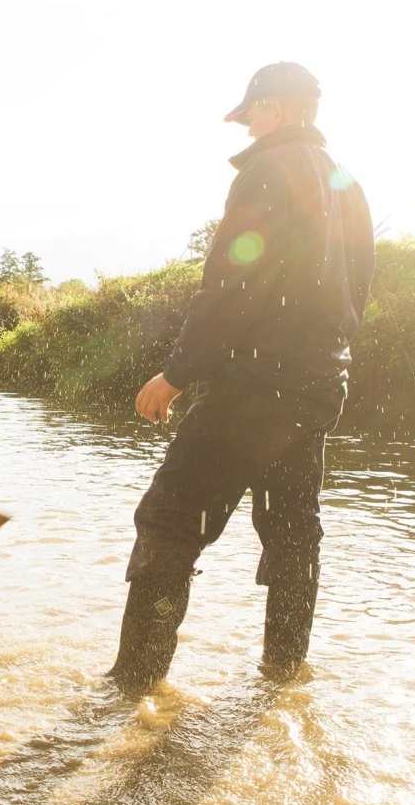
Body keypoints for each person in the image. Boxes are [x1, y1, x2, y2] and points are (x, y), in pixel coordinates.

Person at [107, 62, 375, 696]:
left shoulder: (266, 171)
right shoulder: (347, 183)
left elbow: (230, 287)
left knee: (169, 522)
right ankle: (283, 677)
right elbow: (358, 288)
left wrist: (177, 373)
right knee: (292, 535)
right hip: (317, 388)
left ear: (275, 111)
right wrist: (322, 358)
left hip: (255, 388)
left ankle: (131, 692)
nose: (247, 127)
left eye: (251, 114)